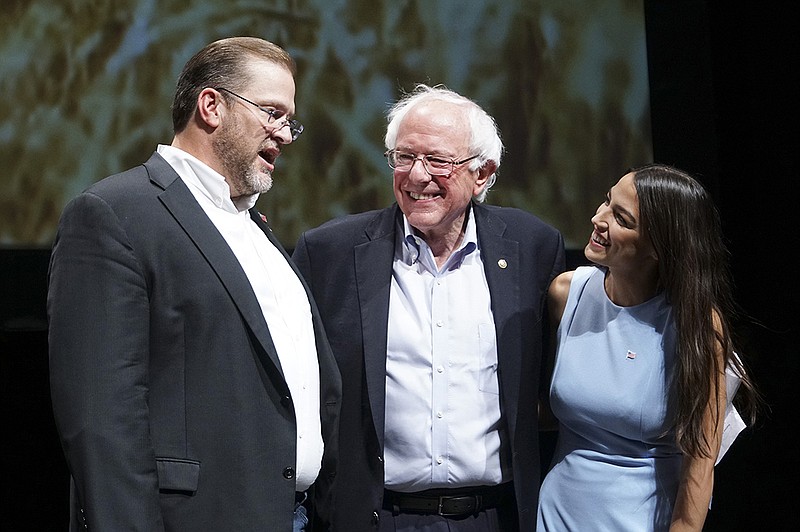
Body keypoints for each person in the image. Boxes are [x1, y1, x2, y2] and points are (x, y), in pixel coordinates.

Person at [47, 37, 341, 531]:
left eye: (289, 119)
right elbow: (101, 422)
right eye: (272, 113)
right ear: (212, 106)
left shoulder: (257, 232)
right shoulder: (116, 213)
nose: (285, 134)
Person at [292, 84, 566, 531]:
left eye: (437, 160)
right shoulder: (330, 253)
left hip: (495, 517)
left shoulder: (532, 247)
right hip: (375, 518)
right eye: (404, 157)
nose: (417, 176)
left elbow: (549, 388)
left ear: (482, 173)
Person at [536, 163, 759, 531]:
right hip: (558, 514)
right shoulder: (565, 294)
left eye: (621, 218)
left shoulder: (698, 324)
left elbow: (700, 460)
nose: (598, 218)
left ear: (658, 246)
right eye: (606, 202)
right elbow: (541, 410)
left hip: (643, 520)